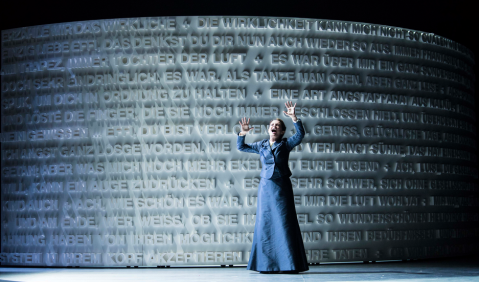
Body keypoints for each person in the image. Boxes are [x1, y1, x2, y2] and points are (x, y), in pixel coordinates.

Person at [237, 101, 309, 274]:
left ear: (282, 131)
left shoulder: (285, 144)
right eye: (271, 125)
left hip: (282, 187)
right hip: (265, 188)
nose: (274, 127)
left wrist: (294, 118)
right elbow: (241, 146)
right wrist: (243, 133)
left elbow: (300, 135)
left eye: (277, 125)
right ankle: (266, 265)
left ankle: (289, 264)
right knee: (266, 223)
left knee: (284, 222)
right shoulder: (261, 145)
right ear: (268, 129)